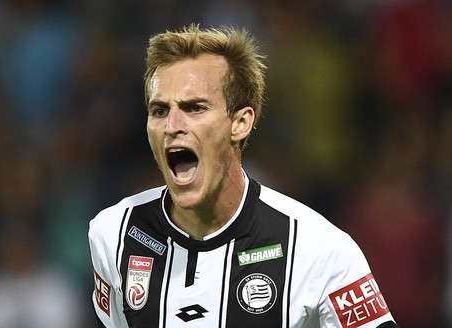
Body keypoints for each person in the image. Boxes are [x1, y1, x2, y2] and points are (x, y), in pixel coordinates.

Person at [88, 25, 398, 328]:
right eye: (159, 110)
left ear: (240, 123)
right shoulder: (113, 234)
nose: (172, 126)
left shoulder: (320, 251)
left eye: (194, 108)